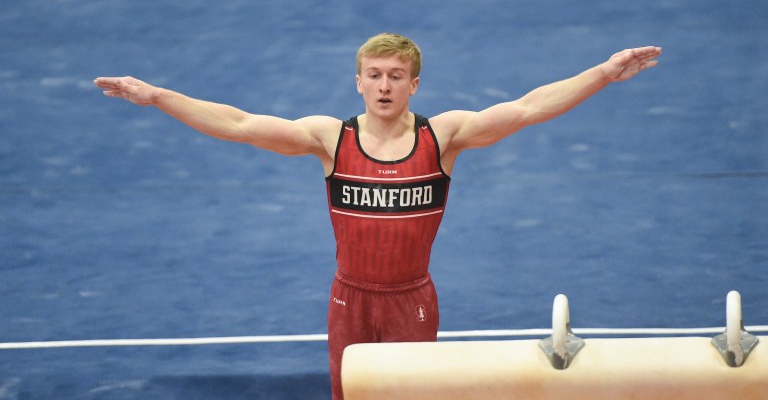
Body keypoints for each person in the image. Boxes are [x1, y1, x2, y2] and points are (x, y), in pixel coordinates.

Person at [94, 33, 661, 399]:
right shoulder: (328, 140)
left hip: (413, 299)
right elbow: (239, 124)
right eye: (375, 74)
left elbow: (528, 108)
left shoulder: (443, 137)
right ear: (358, 81)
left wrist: (603, 72)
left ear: (415, 84)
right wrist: (158, 96)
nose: (385, 85)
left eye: (396, 76)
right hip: (350, 299)